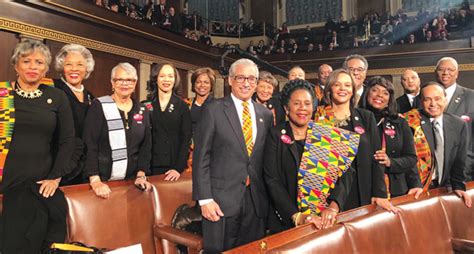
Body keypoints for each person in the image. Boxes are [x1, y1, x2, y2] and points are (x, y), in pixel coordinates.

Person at [0, 40, 75, 252]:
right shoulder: (2, 95)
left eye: (39, 62)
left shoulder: (57, 96)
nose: (33, 66)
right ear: (16, 66)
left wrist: (56, 176)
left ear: (46, 67)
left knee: (49, 242)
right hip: (10, 184)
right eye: (27, 61)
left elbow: (68, 140)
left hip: (44, 184)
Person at [192, 58, 273, 253]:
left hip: (255, 203)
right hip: (219, 203)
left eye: (252, 79)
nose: (246, 83)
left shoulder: (266, 114)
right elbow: (201, 157)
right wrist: (205, 200)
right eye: (241, 78)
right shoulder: (213, 110)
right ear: (230, 80)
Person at [264, 79, 353, 234]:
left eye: (307, 103)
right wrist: (297, 216)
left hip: (324, 221)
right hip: (288, 222)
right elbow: (272, 180)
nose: (302, 108)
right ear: (286, 108)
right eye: (297, 103)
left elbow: (345, 175)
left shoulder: (325, 134)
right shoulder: (276, 134)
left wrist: (333, 207)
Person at [314, 69, 398, 212]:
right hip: (329, 193)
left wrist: (380, 193)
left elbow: (377, 157)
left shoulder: (366, 116)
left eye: (347, 85)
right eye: (337, 85)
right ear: (329, 89)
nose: (342, 89)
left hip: (363, 189)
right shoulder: (318, 117)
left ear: (353, 90)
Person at [83, 63, 152, 199]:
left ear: (135, 83)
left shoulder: (142, 109)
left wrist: (141, 175)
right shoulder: (99, 106)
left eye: (129, 80)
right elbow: (90, 144)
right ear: (112, 83)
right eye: (119, 80)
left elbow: (146, 146)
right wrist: (95, 180)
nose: (124, 84)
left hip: (132, 183)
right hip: (103, 183)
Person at [360, 76, 422, 198]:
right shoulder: (356, 120)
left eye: (385, 93)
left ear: (390, 99)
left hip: (395, 190)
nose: (379, 95)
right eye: (375, 90)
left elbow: (411, 158)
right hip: (363, 189)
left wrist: (390, 162)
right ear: (366, 93)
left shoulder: (400, 122)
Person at [418, 82, 471, 207]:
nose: (433, 104)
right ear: (421, 101)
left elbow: (460, 160)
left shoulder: (458, 124)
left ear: (445, 100)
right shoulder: (410, 122)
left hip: (443, 188)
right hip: (417, 190)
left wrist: (458, 186)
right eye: (427, 100)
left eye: (438, 99)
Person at [53, 44, 96, 185]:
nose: (74, 69)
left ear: (86, 68)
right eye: (69, 64)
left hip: (83, 166)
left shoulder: (90, 96)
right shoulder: (52, 88)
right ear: (62, 67)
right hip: (58, 165)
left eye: (80, 65)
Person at [146, 63, 192, 180]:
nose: (166, 80)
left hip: (173, 167)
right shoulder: (146, 105)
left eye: (170, 76)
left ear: (175, 80)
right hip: (150, 166)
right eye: (162, 76)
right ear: (155, 78)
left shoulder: (182, 106)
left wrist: (178, 168)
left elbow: (186, 138)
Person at [435, 57, 474, 180]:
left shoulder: (471, 96)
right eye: (441, 69)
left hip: (464, 168)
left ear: (457, 73)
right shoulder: (425, 97)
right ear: (435, 72)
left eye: (450, 70)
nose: (445, 73)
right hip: (434, 171)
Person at [188, 67, 215, 133]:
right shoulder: (185, 104)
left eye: (206, 82)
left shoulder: (218, 105)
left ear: (211, 85)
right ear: (193, 84)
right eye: (198, 82)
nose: (202, 85)